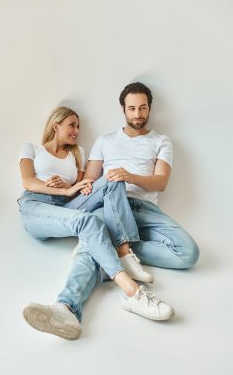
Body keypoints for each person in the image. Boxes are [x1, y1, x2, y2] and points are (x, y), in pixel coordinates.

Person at [19, 106, 174, 341]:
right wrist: (65, 188)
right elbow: (28, 182)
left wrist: (72, 188)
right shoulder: (31, 149)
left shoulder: (78, 152)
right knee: (86, 221)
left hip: (66, 207)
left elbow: (83, 188)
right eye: (72, 125)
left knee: (112, 179)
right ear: (56, 125)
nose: (77, 131)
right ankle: (132, 292)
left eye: (78, 126)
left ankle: (119, 253)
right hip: (36, 207)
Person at [81, 82, 200, 271]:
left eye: (142, 108)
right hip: (111, 205)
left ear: (150, 108)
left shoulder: (161, 141)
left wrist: (130, 176)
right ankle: (119, 245)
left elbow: (161, 182)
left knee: (189, 253)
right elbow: (89, 181)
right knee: (90, 235)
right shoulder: (105, 141)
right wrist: (79, 186)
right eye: (132, 108)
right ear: (123, 110)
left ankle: (118, 245)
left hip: (146, 209)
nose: (137, 114)